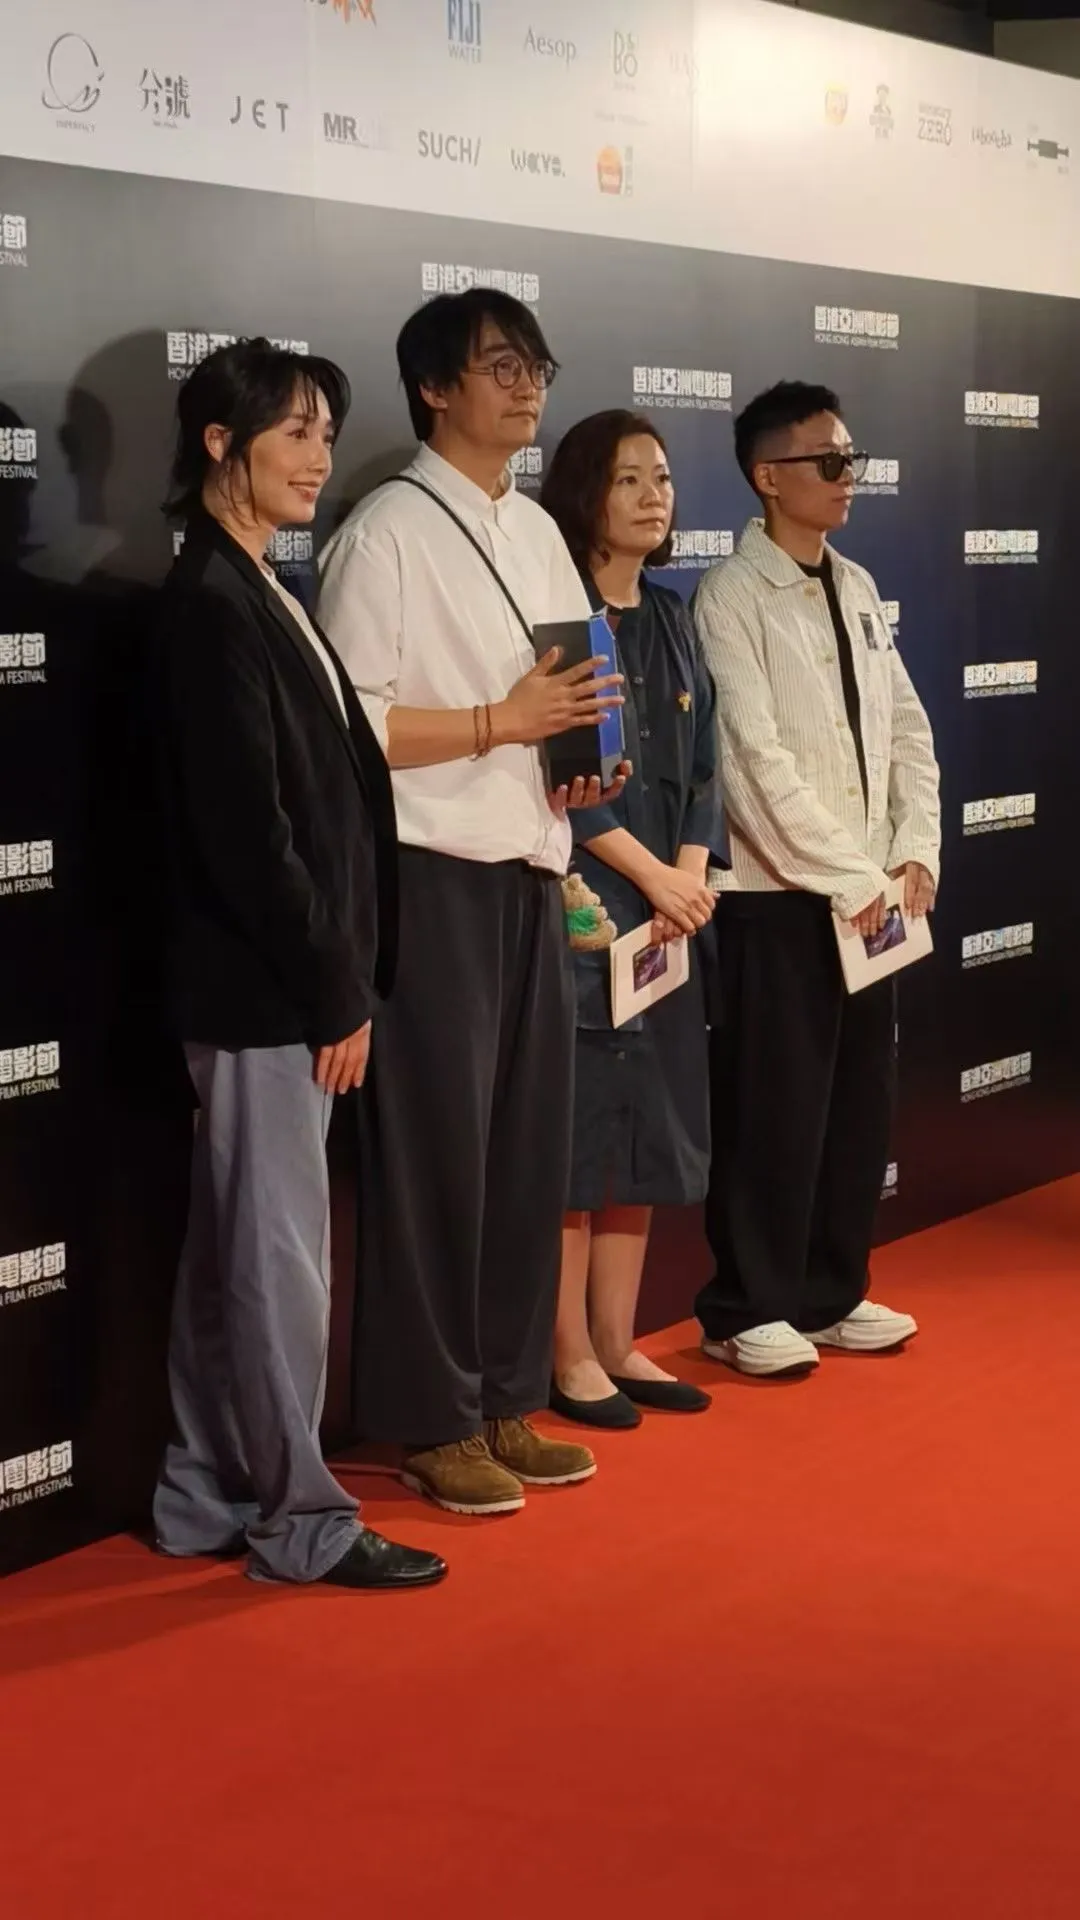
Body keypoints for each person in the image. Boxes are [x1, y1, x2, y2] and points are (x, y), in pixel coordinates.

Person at [317, 290, 629, 1514]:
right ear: (436, 387)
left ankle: (505, 1396)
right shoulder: (386, 531)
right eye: (500, 365)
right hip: (430, 875)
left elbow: (569, 699)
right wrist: (502, 721)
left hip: (531, 866)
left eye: (536, 364)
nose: (528, 385)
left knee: (520, 1158)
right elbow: (351, 726)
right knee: (436, 1161)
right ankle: (430, 1419)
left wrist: (582, 763)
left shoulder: (538, 530)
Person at [151, 337, 446, 1590]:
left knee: (237, 1252)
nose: (320, 458)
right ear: (220, 443)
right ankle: (304, 1520)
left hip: (280, 984)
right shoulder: (210, 604)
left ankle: (200, 1494)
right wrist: (335, 990)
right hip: (265, 992)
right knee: (278, 1263)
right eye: (294, 433)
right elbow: (250, 836)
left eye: (327, 433)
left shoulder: (259, 585)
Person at [693, 381, 940, 1377]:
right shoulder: (729, 596)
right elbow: (752, 765)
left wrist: (915, 848)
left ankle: (831, 1292)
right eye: (829, 462)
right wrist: (849, 874)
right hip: (780, 899)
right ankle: (745, 1306)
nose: (849, 478)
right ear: (768, 476)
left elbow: (908, 728)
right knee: (774, 1111)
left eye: (852, 460)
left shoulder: (858, 584)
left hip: (870, 898)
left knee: (855, 1108)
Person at [539, 411, 726, 1428]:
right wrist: (654, 879)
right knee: (580, 1136)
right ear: (585, 493)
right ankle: (567, 1353)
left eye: (662, 477)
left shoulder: (670, 612)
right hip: (590, 902)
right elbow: (567, 781)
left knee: (649, 1124)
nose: (654, 496)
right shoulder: (562, 617)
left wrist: (689, 874)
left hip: (672, 911)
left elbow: (706, 762)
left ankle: (617, 1341)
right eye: (628, 480)